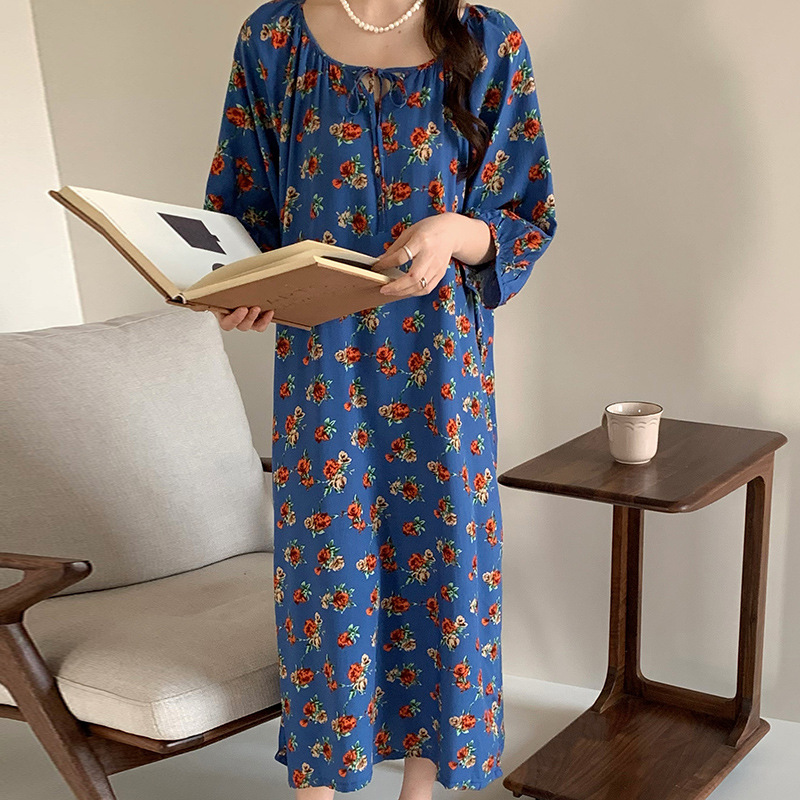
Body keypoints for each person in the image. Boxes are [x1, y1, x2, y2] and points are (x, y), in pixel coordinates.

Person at [204, 0, 557, 796]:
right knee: (326, 570)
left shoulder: (487, 39)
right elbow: (240, 211)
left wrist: (453, 231)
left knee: (447, 561)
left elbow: (525, 215)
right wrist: (238, 290)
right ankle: (319, 786)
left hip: (441, 363)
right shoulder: (273, 39)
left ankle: (420, 790)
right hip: (321, 366)